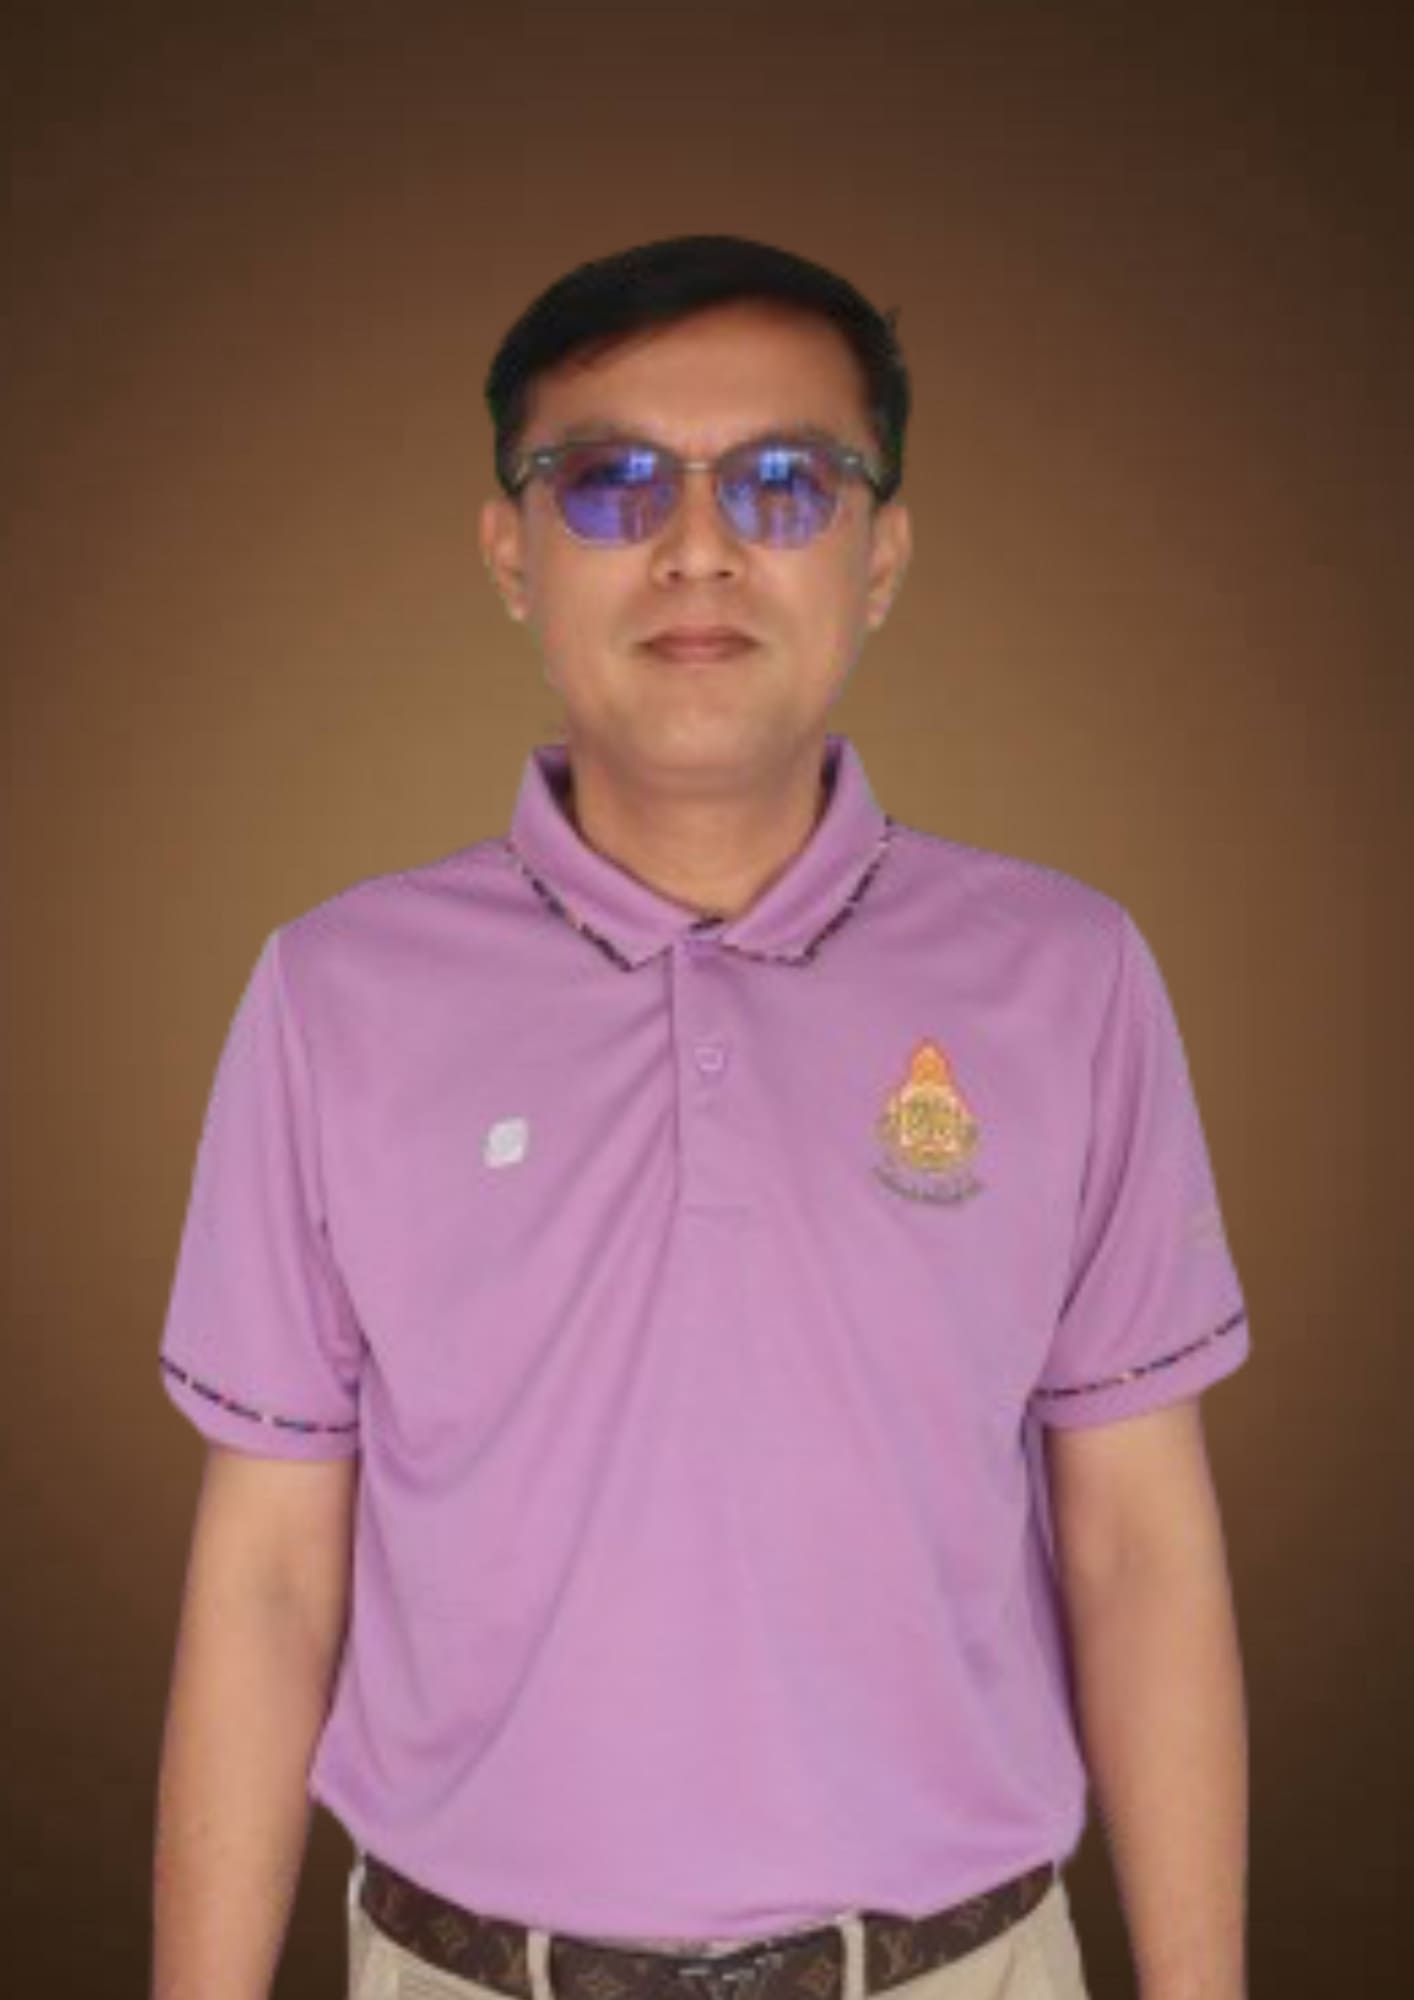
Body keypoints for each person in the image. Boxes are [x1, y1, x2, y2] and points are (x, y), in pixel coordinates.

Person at [151, 235, 1252, 2000]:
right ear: (510, 552)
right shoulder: (334, 995)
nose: (696, 546)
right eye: (609, 482)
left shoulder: (1066, 978)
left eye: (783, 482)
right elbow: (271, 1573)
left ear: (878, 556)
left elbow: (1137, 1548)